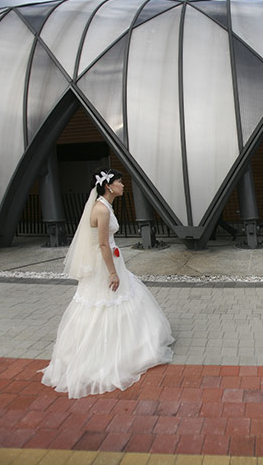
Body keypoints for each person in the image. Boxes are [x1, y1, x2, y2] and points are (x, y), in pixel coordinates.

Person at [41, 168, 174, 399]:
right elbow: (102, 244)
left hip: (111, 259)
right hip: (105, 264)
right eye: (120, 182)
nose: (123, 186)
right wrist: (112, 273)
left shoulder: (105, 206)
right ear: (109, 186)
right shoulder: (101, 209)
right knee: (107, 302)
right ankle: (109, 353)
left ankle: (131, 344)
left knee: (120, 300)